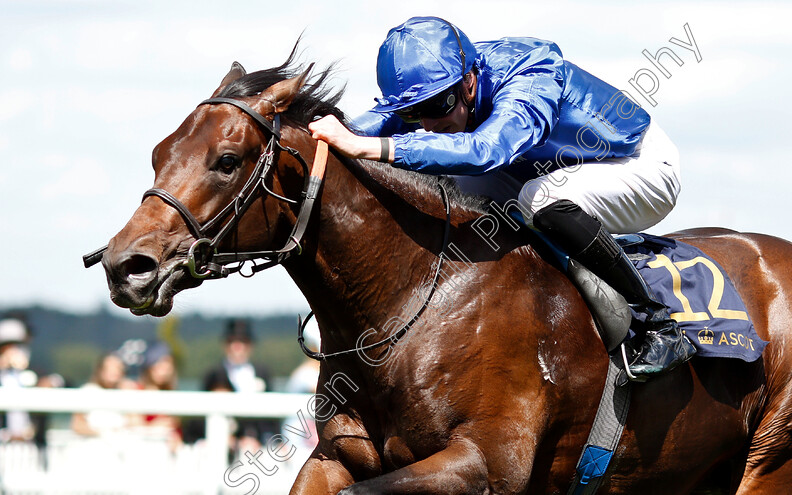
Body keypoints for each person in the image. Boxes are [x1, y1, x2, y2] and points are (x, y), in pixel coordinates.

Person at [309, 16, 695, 381]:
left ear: (469, 82)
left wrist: (373, 147)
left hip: (638, 165)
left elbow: (485, 150)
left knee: (537, 199)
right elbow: (355, 133)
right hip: (545, 174)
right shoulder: (440, 87)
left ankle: (657, 324)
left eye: (436, 107)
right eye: (411, 113)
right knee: (456, 196)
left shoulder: (531, 73)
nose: (427, 123)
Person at [201, 319, 274, 455]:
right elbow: (201, 416)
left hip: (258, 447)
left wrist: (268, 440)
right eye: (233, 342)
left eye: (243, 342)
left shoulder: (262, 372)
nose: (238, 347)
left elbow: (270, 417)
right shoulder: (214, 374)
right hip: (223, 445)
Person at [71, 352, 138, 437]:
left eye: (117, 368)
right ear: (100, 370)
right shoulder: (88, 391)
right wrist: (103, 433)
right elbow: (77, 425)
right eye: (109, 368)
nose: (114, 371)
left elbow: (135, 422)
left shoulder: (125, 393)